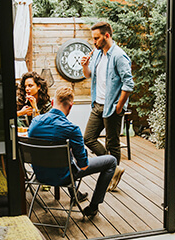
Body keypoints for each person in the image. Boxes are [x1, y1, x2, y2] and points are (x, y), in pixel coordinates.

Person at [28, 86, 117, 217]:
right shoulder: (73, 130)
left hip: (40, 175)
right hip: (63, 177)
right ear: (71, 106)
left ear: (53, 102)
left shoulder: (35, 122)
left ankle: (77, 195)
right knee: (111, 161)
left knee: (68, 158)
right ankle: (93, 207)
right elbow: (84, 166)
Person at [80, 21, 134, 191]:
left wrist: (119, 107)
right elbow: (89, 75)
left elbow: (128, 84)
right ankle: (114, 167)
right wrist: (85, 66)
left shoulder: (119, 56)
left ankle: (111, 177)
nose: (93, 42)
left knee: (113, 144)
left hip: (112, 107)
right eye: (93, 38)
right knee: (88, 138)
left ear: (107, 36)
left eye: (96, 38)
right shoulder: (97, 54)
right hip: (97, 104)